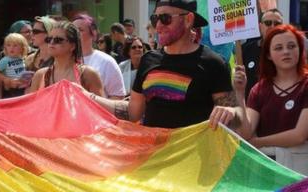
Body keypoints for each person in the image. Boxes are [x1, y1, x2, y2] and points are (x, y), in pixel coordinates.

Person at [85, 0, 234, 129]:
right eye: (155, 19)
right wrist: (88, 97)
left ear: (188, 20)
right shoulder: (148, 60)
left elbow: (236, 120)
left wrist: (231, 112)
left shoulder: (214, 63)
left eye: (165, 18)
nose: (158, 26)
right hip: (155, 156)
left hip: (194, 158)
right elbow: (132, 112)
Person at [211, 24, 308, 150]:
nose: (286, 52)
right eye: (278, 48)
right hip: (266, 165)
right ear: (268, 55)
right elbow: (246, 132)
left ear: (300, 50)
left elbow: (299, 135)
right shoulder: (259, 89)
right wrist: (240, 93)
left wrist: (258, 142)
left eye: (292, 46)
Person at [27, 21, 103, 97]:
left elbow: (99, 107)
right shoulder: (40, 75)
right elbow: (32, 107)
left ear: (72, 46)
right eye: (49, 39)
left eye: (58, 40)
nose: (51, 43)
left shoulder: (88, 75)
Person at [73, 14, 126, 99]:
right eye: (73, 31)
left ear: (93, 33)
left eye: (80, 30)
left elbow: (118, 97)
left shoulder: (107, 61)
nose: (75, 34)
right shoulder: (63, 60)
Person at [242, 9, 283, 98]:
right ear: (260, 26)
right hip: (250, 107)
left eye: (277, 24)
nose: (272, 26)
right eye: (268, 23)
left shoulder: (288, 51)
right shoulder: (246, 49)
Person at [0, 33, 29, 98]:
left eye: (15, 45)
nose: (11, 48)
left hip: (22, 87)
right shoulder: (5, 60)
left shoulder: (22, 59)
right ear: (5, 47)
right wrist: (6, 79)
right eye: (8, 45)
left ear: (22, 48)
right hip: (11, 89)